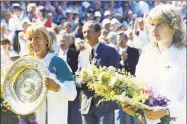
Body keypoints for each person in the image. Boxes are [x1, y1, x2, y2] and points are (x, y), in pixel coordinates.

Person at [123, 4, 186, 124]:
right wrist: (132, 105)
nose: (154, 29)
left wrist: (168, 111)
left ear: (174, 27)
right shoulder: (146, 55)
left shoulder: (184, 54)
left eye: (160, 25)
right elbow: (139, 88)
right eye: (152, 25)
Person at [3, 24, 77, 124]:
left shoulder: (58, 63)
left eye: (37, 37)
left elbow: (72, 94)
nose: (33, 42)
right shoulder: (24, 65)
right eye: (29, 39)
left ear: (46, 40)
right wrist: (14, 104)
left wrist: (57, 88)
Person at [78, 20, 121, 124]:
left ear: (98, 33)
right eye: (84, 32)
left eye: (89, 31)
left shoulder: (110, 51)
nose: (86, 35)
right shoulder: (82, 55)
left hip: (104, 105)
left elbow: (115, 76)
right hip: (86, 106)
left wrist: (98, 77)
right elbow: (77, 79)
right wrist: (82, 80)